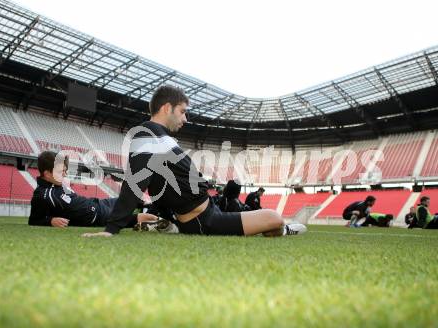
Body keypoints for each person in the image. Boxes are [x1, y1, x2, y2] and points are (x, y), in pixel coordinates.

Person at [83, 85, 306, 238]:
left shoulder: (158, 137)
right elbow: (135, 181)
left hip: (207, 211)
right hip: (204, 220)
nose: (185, 119)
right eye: (182, 112)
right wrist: (111, 229)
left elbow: (159, 183)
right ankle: (285, 230)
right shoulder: (148, 135)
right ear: (166, 108)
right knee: (275, 218)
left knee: (269, 221)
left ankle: (169, 226)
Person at [28, 151, 154, 228]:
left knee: (131, 198)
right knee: (139, 217)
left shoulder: (57, 184)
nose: (65, 175)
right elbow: (33, 220)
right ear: (47, 174)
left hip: (98, 203)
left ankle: (156, 207)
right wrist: (50, 221)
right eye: (62, 172)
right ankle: (160, 219)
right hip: (101, 217)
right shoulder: (42, 196)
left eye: (65, 171)